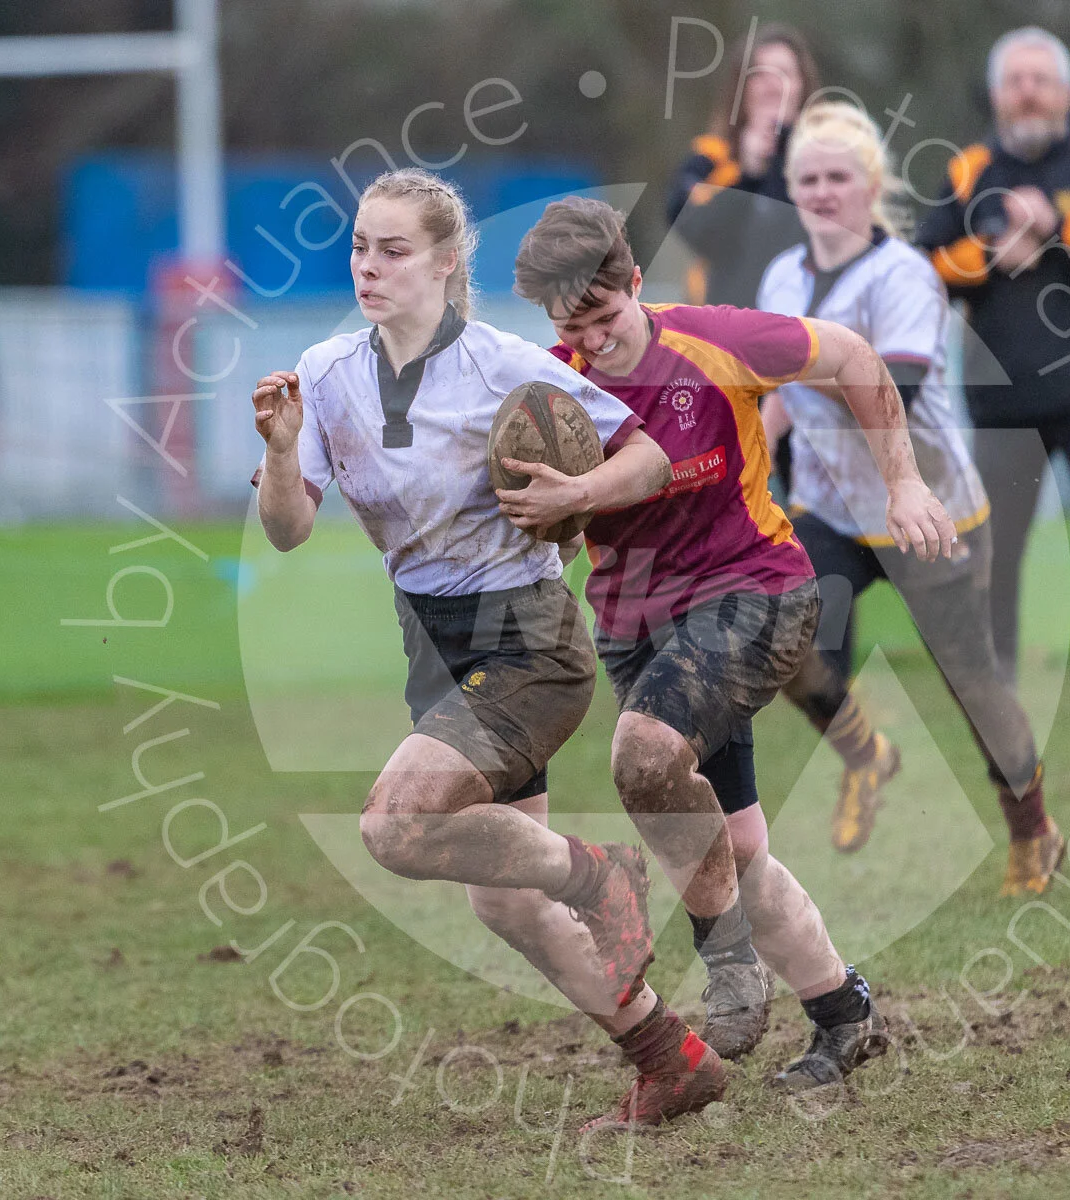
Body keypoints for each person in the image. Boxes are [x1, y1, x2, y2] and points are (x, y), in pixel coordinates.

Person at [247, 168, 737, 1133]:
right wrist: (278, 446)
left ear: (444, 262)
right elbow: (288, 529)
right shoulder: (330, 370)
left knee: (394, 828)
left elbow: (645, 451)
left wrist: (572, 501)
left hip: (526, 641)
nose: (369, 267)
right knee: (501, 905)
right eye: (359, 247)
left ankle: (603, 877)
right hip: (431, 643)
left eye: (393, 250)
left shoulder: (505, 364)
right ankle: (670, 1060)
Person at [509, 196, 957, 1118]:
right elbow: (548, 531)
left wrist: (903, 480)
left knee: (641, 756)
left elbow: (855, 358)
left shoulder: (719, 341)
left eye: (607, 318)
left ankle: (730, 971)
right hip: (639, 628)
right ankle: (844, 1012)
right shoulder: (554, 396)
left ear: (639, 283)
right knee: (738, 848)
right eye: (572, 329)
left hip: (757, 592)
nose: (593, 343)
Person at [756, 101, 1063, 894]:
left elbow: (895, 384)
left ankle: (1033, 827)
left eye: (837, 177)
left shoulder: (903, 275)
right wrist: (750, 455)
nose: (822, 192)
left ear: (871, 187)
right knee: (793, 648)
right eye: (807, 178)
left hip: (932, 509)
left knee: (971, 682)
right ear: (790, 189)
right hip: (831, 505)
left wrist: (803, 368)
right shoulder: (783, 276)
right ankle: (868, 756)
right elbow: (777, 394)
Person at [914, 26, 1070, 714]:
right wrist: (991, 249)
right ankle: (992, 675)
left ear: (1066, 92)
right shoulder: (969, 168)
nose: (1027, 93)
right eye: (1014, 81)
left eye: (1040, 80)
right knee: (993, 547)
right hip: (1002, 398)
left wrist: (1056, 226)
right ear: (996, 95)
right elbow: (924, 262)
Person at [666, 22, 818, 309]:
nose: (772, 85)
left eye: (784, 73)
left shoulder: (828, 162)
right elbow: (690, 228)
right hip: (722, 320)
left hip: (809, 320)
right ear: (740, 87)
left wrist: (786, 151)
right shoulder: (711, 157)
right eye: (759, 74)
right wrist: (748, 173)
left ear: (802, 85)